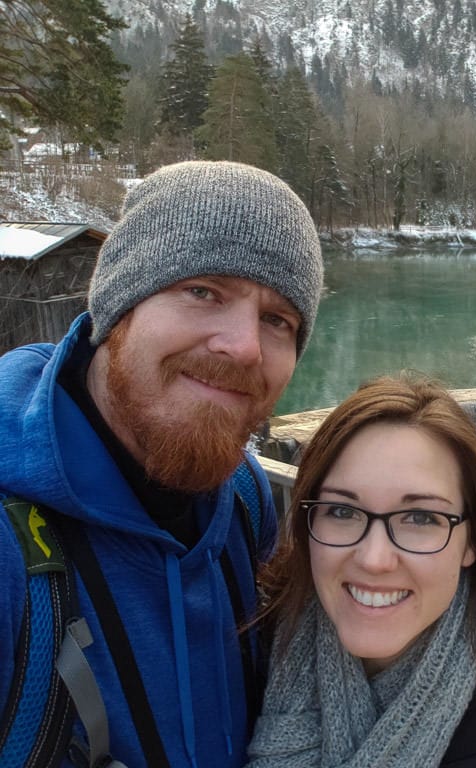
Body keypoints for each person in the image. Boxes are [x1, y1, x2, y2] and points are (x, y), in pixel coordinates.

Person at [0, 161, 324, 768]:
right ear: (118, 309)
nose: (245, 346)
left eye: (277, 320)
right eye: (203, 292)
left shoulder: (243, 498)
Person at [246, 375, 476, 768]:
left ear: (472, 540)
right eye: (342, 511)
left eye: (420, 517)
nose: (374, 558)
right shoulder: (251, 652)